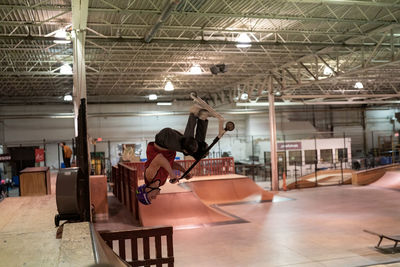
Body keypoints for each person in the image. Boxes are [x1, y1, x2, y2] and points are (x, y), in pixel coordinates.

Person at [136, 105, 211, 205]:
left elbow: (160, 159)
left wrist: (172, 174)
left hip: (164, 140)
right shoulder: (161, 182)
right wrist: (184, 172)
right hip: (170, 144)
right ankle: (202, 119)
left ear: (146, 190)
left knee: (188, 148)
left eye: (151, 197)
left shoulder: (149, 177)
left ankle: (193, 113)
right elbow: (171, 163)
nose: (155, 197)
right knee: (199, 153)